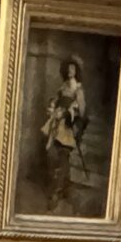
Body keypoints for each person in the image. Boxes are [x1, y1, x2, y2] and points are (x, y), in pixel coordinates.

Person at [38, 58, 89, 210]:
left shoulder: (78, 89)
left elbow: (82, 112)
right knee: (54, 154)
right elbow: (56, 100)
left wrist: (70, 115)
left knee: (63, 156)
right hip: (57, 123)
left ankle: (57, 191)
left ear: (77, 71)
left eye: (73, 69)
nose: (70, 71)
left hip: (68, 126)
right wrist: (53, 106)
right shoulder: (63, 86)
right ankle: (64, 186)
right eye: (68, 68)